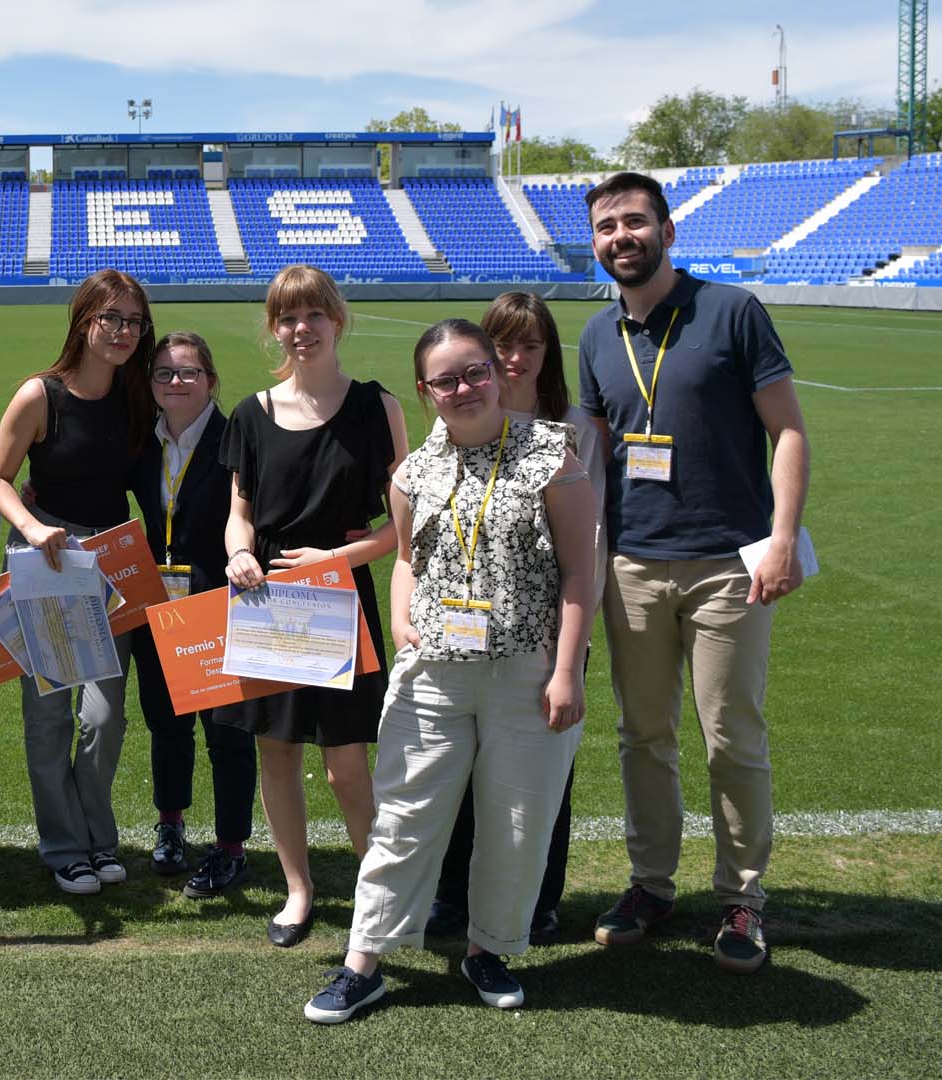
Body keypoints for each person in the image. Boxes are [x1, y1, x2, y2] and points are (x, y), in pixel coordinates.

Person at [305, 318, 594, 1023]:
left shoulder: (551, 455)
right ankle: (363, 961)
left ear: (496, 371)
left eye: (474, 372)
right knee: (403, 817)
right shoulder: (413, 471)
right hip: (433, 671)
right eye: (446, 380)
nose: (463, 389)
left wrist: (567, 671)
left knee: (516, 824)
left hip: (527, 671)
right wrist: (401, 618)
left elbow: (581, 572)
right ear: (425, 390)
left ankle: (487, 949)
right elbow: (408, 557)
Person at [577, 171, 809, 974]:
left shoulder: (733, 311)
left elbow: (787, 432)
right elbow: (593, 456)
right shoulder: (597, 336)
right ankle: (651, 884)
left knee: (731, 737)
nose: (621, 237)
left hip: (727, 566)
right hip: (632, 565)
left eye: (634, 221)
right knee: (642, 736)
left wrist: (783, 538)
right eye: (607, 226)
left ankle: (742, 897)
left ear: (668, 231)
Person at [217, 265, 407, 947]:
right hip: (267, 597)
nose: (302, 329)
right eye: (288, 318)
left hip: (338, 596)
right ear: (275, 329)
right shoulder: (251, 414)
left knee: (345, 763)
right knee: (276, 752)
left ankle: (378, 891)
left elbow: (402, 526)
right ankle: (298, 890)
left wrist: (337, 560)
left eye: (314, 315)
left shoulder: (378, 407)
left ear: (338, 320)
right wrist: (238, 554)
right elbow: (239, 516)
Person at [426, 291, 604, 945]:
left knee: (544, 777)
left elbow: (590, 545)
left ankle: (540, 900)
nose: (516, 358)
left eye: (531, 345)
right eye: (503, 344)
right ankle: (453, 896)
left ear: (547, 353)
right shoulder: (462, 414)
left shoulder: (575, 429)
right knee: (461, 767)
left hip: (549, 634)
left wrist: (570, 656)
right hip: (465, 629)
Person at [0, 268, 155, 895]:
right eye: (110, 317)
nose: (122, 331)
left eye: (133, 321)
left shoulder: (138, 395)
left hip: (112, 562)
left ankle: (98, 837)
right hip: (51, 561)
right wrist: (32, 527)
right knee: (51, 716)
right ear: (83, 320)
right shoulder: (41, 394)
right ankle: (64, 847)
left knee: (106, 717)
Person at [126, 332, 259, 898]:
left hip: (220, 602)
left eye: (188, 372)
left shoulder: (236, 440)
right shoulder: (141, 440)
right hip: (157, 602)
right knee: (166, 722)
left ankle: (231, 846)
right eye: (163, 373)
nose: (175, 382)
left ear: (210, 380)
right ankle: (171, 825)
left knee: (226, 731)